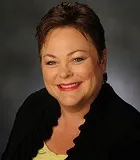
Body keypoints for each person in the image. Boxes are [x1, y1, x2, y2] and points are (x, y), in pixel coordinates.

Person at [1, 2, 140, 160]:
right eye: (51, 62)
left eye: (77, 59)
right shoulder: (32, 108)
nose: (64, 73)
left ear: (102, 60)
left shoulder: (131, 132)